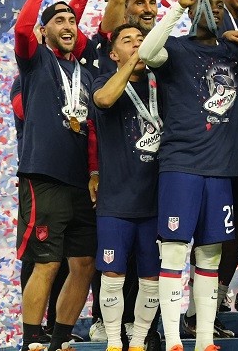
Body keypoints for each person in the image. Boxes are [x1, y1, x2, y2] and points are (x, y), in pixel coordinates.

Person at [138, 0, 238, 351]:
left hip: (220, 170)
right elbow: (146, 51)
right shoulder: (177, 48)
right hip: (181, 165)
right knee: (172, 251)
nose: (217, 10)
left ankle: (203, 340)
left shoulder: (236, 51)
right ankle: (173, 340)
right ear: (192, 10)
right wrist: (175, 10)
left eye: (221, 5)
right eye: (209, 4)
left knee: (210, 255)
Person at [14, 0, 98, 351]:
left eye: (72, 21)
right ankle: (33, 340)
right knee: (46, 262)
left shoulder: (85, 72)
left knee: (83, 265)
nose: (68, 25)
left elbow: (70, 27)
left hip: (80, 183)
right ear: (44, 33)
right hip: (44, 177)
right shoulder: (35, 64)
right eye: (58, 22)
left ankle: (60, 338)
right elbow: (24, 28)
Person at [89, 24, 163, 351]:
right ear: (113, 54)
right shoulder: (105, 82)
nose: (137, 44)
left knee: (151, 280)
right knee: (113, 277)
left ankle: (138, 341)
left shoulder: (162, 84)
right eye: (128, 41)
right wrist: (132, 63)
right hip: (116, 203)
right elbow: (103, 100)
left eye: (142, 40)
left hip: (156, 202)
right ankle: (114, 342)